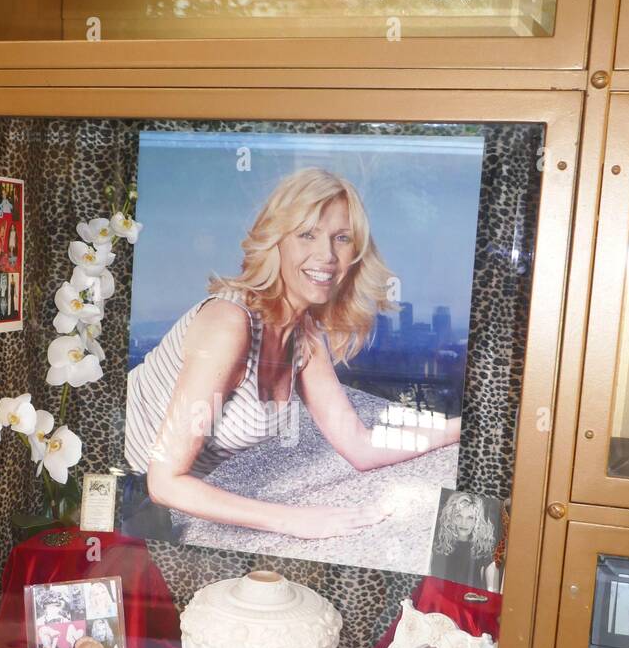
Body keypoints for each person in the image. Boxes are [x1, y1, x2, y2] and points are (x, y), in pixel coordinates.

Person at [124, 168, 460, 541]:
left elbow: (360, 446)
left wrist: (458, 429)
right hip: (110, 491)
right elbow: (164, 482)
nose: (327, 255)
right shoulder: (228, 324)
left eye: (342, 238)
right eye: (307, 235)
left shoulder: (304, 337)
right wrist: (296, 520)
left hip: (152, 510)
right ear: (276, 241)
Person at [431, 491, 501, 590]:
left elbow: (493, 590)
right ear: (451, 517)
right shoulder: (437, 545)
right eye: (459, 516)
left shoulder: (483, 549)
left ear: (477, 521)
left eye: (470, 518)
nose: (464, 523)